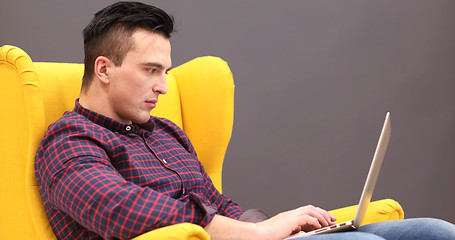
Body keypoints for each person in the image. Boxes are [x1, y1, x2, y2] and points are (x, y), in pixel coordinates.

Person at [35, 1, 455, 240]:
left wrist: (279, 223)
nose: (164, 87)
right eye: (151, 70)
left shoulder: (166, 132)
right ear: (104, 69)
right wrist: (255, 235)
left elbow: (217, 204)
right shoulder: (69, 141)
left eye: (166, 71)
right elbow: (121, 209)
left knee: (436, 233)